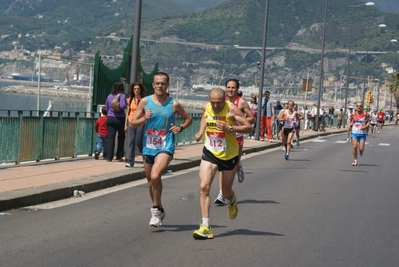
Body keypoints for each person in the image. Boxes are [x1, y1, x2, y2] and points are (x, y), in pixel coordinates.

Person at [130, 72, 192, 227]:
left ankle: (156, 210)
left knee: (156, 175)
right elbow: (132, 123)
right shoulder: (145, 102)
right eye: (157, 83)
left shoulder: (174, 104)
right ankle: (160, 208)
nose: (160, 86)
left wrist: (180, 127)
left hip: (166, 145)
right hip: (149, 146)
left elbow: (188, 118)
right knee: (151, 181)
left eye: (163, 83)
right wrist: (145, 118)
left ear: (167, 85)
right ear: (153, 85)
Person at [193, 87, 252, 239]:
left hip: (228, 154)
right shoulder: (207, 107)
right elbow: (205, 117)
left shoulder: (231, 110)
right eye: (213, 103)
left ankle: (232, 200)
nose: (216, 106)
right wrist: (201, 132)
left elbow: (249, 127)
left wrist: (230, 127)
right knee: (204, 186)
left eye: (219, 103)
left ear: (224, 99)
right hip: (210, 151)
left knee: (226, 192)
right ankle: (205, 226)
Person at [214, 79, 254, 205]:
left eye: (233, 88)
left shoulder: (241, 102)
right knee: (221, 166)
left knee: (233, 164)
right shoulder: (222, 100)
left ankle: (238, 167)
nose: (231, 90)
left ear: (237, 89)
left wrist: (239, 120)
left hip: (237, 135)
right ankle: (221, 193)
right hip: (224, 135)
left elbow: (252, 118)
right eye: (229, 87)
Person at [105, 81, 127, 162]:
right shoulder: (122, 96)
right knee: (121, 137)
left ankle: (109, 157)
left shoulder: (109, 96)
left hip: (110, 118)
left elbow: (106, 108)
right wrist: (126, 103)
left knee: (111, 138)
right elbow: (122, 106)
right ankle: (119, 156)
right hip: (120, 118)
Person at [125, 82, 146, 167]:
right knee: (131, 141)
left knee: (138, 141)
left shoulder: (144, 100)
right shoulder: (130, 99)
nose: (136, 90)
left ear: (140, 90)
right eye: (134, 89)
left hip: (140, 122)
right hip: (131, 122)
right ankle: (130, 161)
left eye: (138, 89)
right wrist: (125, 124)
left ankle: (144, 156)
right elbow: (128, 112)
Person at [349, 102, 370, 166]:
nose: (359, 107)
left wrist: (365, 127)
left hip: (362, 133)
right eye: (357, 106)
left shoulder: (365, 114)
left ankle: (361, 151)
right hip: (354, 132)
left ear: (362, 107)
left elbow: (368, 123)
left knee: (361, 149)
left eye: (360, 106)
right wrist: (349, 126)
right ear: (356, 106)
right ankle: (355, 160)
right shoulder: (353, 114)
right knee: (354, 146)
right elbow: (351, 121)